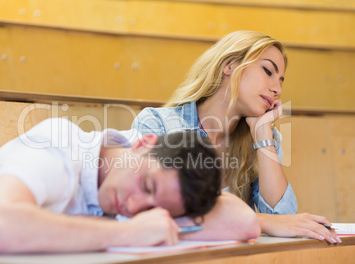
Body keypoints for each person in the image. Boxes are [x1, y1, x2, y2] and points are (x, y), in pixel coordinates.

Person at [132, 30, 341, 244]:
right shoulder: (156, 123)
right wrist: (259, 221)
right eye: (268, 71)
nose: (277, 89)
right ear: (230, 65)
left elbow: (282, 218)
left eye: (281, 81)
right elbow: (154, 213)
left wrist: (262, 134)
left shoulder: (264, 135)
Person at [0, 117, 260, 253]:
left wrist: (156, 222)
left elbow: (242, 221)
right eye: (148, 186)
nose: (136, 206)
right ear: (143, 143)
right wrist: (129, 233)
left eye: (153, 208)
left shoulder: (137, 180)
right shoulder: (59, 146)